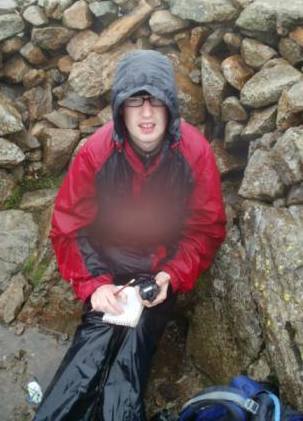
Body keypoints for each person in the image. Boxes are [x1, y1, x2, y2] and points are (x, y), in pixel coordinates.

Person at [33, 50, 226, 421]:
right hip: (105, 265)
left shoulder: (195, 152)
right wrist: (94, 286)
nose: (147, 113)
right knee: (91, 348)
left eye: (156, 100)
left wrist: (170, 276)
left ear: (171, 105)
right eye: (135, 101)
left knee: (130, 359)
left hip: (158, 271)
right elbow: (68, 228)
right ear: (120, 108)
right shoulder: (96, 153)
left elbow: (206, 229)